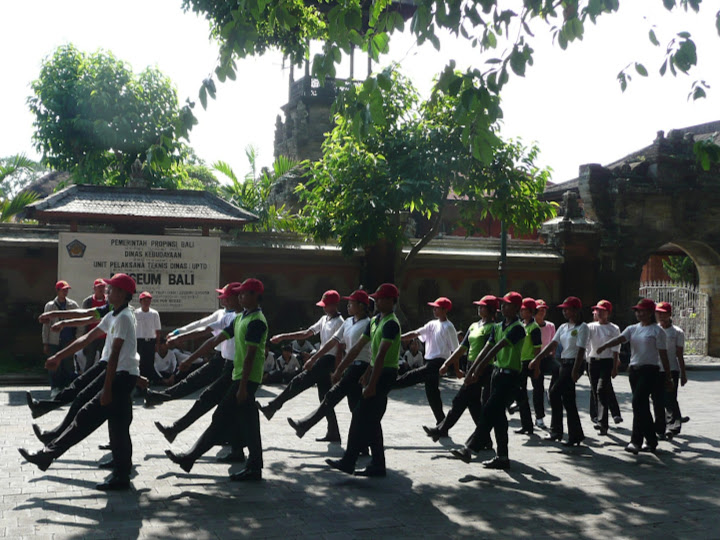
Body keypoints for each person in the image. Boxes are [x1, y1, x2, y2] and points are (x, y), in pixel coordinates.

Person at [19, 273, 139, 491]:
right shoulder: (114, 314)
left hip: (119, 377)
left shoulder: (123, 317)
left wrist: (107, 389)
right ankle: (122, 473)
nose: (107, 292)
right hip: (121, 375)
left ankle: (48, 455)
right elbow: (87, 337)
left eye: (111, 289)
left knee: (85, 416)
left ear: (122, 294)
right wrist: (58, 356)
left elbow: (115, 355)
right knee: (119, 426)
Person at [165, 278, 267, 482]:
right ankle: (253, 466)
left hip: (246, 378)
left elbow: (250, 356)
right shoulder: (240, 318)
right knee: (248, 422)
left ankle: (191, 457)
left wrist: (244, 386)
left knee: (223, 417)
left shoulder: (256, 321)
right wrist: (190, 360)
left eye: (245, 293)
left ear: (255, 296)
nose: (240, 296)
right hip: (237, 375)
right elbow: (214, 340)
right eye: (239, 293)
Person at [154, 284, 246, 463]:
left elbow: (213, 340)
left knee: (222, 411)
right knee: (232, 411)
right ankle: (238, 450)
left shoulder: (243, 318)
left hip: (237, 369)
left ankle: (189, 446)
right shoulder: (227, 316)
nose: (222, 299)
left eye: (226, 297)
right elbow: (202, 328)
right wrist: (180, 335)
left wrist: (188, 358)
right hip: (228, 365)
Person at [326, 283, 401, 477]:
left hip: (385, 374)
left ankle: (350, 461)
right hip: (375, 371)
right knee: (372, 420)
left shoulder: (391, 323)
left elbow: (383, 355)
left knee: (361, 416)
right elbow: (359, 348)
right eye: (376, 298)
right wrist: (341, 369)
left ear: (391, 301)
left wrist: (372, 384)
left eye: (381, 298)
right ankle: (377, 465)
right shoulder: (375, 321)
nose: (377, 301)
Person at [449, 292, 526, 469]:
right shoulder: (497, 327)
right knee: (498, 417)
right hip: (497, 375)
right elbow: (485, 348)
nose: (503, 307)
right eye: (502, 304)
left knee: (489, 410)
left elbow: (497, 347)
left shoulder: (518, 328)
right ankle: (503, 457)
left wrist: (478, 369)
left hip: (510, 376)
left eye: (506, 304)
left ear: (515, 308)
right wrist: (472, 370)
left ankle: (469, 448)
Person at [259, 290, 345, 443]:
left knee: (298, 381)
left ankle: (274, 406)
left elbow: (338, 348)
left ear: (335, 305)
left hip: (327, 360)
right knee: (324, 398)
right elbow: (306, 333)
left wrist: (334, 369)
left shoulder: (340, 322)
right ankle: (333, 432)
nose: (324, 308)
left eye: (327, 305)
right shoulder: (324, 319)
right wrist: (284, 336)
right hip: (323, 358)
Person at [287, 289, 372, 439]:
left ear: (361, 306)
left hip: (361, 367)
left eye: (351, 303)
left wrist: (340, 369)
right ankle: (362, 445)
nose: (348, 306)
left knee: (333, 398)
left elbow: (362, 350)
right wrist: (314, 358)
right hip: (351, 368)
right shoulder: (347, 322)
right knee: (353, 406)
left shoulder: (369, 324)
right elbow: (332, 342)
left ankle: (304, 425)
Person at [143, 284, 238, 407]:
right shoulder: (221, 314)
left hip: (230, 360)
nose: (221, 298)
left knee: (210, 394)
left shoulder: (237, 318)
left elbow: (209, 337)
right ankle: (160, 398)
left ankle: (163, 402)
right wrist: (179, 332)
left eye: (224, 296)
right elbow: (200, 325)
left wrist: (187, 352)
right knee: (194, 381)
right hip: (220, 357)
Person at [597, 298, 672, 454]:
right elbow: (621, 339)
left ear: (650, 313)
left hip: (650, 371)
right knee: (641, 406)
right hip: (634, 371)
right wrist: (605, 345)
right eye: (637, 311)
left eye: (642, 310)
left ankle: (637, 440)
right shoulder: (632, 329)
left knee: (638, 403)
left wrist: (668, 376)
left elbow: (663, 356)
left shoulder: (657, 331)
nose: (639, 313)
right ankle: (650, 440)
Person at [424, 294, 499, 446]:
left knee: (460, 400)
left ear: (490, 310)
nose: (479, 308)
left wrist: (475, 370)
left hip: (484, 367)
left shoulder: (494, 328)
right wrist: (447, 363)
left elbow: (489, 351)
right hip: (470, 365)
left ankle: (441, 430)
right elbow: (462, 348)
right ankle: (485, 440)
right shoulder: (474, 326)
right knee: (473, 405)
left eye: (483, 306)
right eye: (479, 305)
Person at [530, 296, 587, 447]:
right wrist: (538, 359)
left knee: (554, 392)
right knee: (568, 399)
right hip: (564, 363)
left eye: (567, 309)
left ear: (575, 310)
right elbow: (552, 344)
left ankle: (557, 430)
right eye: (564, 309)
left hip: (574, 364)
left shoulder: (583, 328)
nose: (564, 312)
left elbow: (581, 350)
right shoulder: (563, 327)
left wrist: (576, 371)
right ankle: (575, 435)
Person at [394, 297, 459, 423]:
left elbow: (455, 350)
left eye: (437, 308)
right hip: (429, 361)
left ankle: (391, 385)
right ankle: (441, 423)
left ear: (445, 310)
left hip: (439, 362)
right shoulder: (431, 324)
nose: (434, 310)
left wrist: (456, 369)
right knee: (432, 394)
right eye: (434, 307)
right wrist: (398, 338)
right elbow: (416, 333)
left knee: (412, 375)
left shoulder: (449, 327)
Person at [586, 300, 623, 435]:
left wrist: (614, 367)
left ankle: (602, 422)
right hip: (592, 362)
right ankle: (601, 420)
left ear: (608, 313)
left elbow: (616, 349)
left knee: (602, 389)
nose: (599, 313)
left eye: (602, 310)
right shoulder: (590, 327)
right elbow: (585, 345)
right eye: (598, 310)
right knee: (596, 391)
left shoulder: (614, 328)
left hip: (606, 362)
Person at [655, 302, 687, 439]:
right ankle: (660, 428)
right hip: (655, 369)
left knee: (670, 398)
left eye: (664, 313)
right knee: (657, 400)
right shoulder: (654, 330)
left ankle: (672, 426)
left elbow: (679, 354)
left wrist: (683, 373)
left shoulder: (677, 332)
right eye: (658, 313)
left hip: (672, 369)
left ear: (669, 315)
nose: (661, 316)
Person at [42, 280, 80, 394]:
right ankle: (55, 388)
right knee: (54, 366)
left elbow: (80, 322)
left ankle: (69, 388)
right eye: (63, 290)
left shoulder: (73, 305)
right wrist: (45, 342)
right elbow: (46, 325)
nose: (65, 292)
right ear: (57, 291)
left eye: (67, 290)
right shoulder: (50, 306)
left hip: (69, 340)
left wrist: (77, 338)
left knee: (69, 365)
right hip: (54, 340)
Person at [514, 297, 542, 436]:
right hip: (520, 362)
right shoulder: (521, 325)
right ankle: (526, 425)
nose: (521, 312)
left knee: (536, 390)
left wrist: (537, 366)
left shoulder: (534, 327)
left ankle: (536, 420)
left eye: (524, 310)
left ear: (531, 312)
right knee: (521, 395)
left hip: (530, 362)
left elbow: (538, 348)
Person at [532, 299, 555, 429]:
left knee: (559, 371)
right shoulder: (529, 325)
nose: (542, 312)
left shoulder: (550, 326)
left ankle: (551, 392)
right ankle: (539, 417)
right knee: (538, 388)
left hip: (547, 358)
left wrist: (552, 354)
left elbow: (553, 343)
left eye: (544, 309)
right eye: (539, 310)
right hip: (534, 359)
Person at [80, 278, 108, 371]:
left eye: (103, 287)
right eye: (99, 287)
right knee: (89, 361)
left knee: (104, 361)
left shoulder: (109, 301)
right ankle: (85, 381)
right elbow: (83, 318)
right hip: (91, 336)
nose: (101, 289)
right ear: (94, 288)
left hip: (105, 336)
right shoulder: (88, 302)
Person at [134, 291, 162, 384]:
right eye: (144, 300)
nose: (146, 302)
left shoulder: (154, 313)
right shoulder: (135, 313)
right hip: (139, 341)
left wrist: (157, 344)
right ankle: (138, 383)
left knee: (149, 363)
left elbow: (158, 330)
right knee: (139, 362)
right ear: (140, 301)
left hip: (150, 341)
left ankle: (148, 382)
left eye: (148, 300)